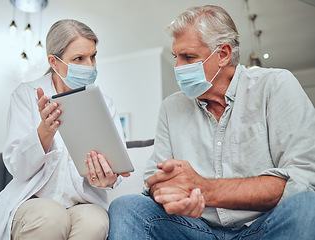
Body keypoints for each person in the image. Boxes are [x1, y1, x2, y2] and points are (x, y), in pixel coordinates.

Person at [107, 5, 315, 240]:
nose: (178, 68)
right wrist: (171, 194)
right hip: (195, 229)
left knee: (306, 206)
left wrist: (205, 189)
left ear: (223, 54)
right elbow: (153, 182)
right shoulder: (170, 107)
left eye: (189, 57)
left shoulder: (275, 86)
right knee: (126, 207)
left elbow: (302, 178)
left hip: (262, 227)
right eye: (176, 57)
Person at [0, 19, 129, 240]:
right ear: (54, 62)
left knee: (95, 223)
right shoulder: (26, 95)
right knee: (52, 217)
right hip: (31, 201)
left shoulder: (104, 103)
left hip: (82, 203)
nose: (90, 66)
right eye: (79, 59)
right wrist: (44, 132)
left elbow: (117, 166)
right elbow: (18, 169)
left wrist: (108, 178)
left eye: (93, 56)